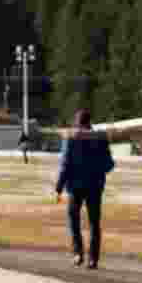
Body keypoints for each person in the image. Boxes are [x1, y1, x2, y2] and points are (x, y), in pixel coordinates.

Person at [55, 107, 115, 269]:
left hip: (75, 186)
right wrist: (97, 170)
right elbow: (109, 164)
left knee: (73, 219)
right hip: (95, 186)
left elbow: (65, 164)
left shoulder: (71, 138)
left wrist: (59, 186)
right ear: (90, 122)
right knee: (95, 222)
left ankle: (78, 253)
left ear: (77, 122)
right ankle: (93, 259)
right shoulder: (100, 138)